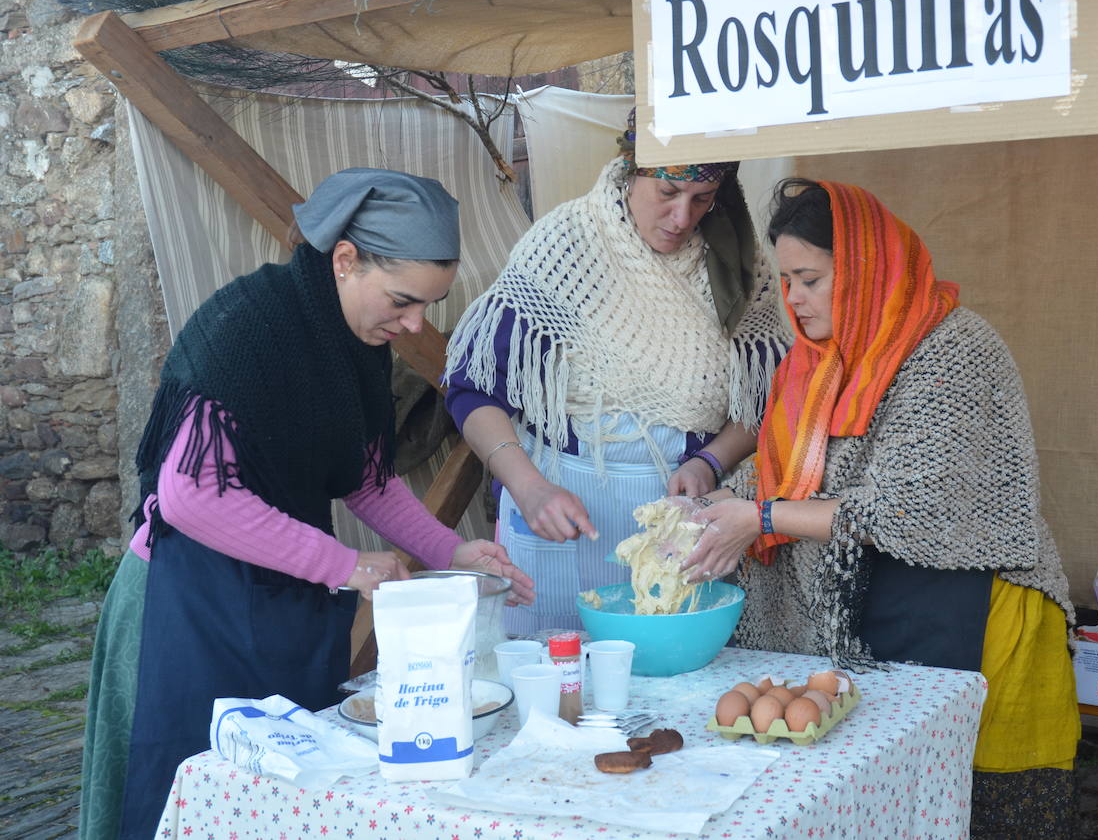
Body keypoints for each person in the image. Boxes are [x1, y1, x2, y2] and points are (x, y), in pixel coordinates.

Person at [79, 168, 535, 840]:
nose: (414, 323)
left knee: (281, 804)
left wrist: (453, 550)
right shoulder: (244, 329)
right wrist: (345, 563)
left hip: (277, 606)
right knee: (187, 795)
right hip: (184, 607)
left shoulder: (355, 345)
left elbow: (367, 480)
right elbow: (189, 496)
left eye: (426, 307)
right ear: (345, 260)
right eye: (403, 301)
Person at [683, 179, 1080, 839]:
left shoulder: (953, 351)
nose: (794, 300)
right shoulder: (814, 363)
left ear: (866, 268)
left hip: (971, 605)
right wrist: (726, 492)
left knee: (984, 811)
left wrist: (762, 517)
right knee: (884, 796)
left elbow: (909, 507)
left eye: (810, 279)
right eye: (785, 281)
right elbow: (802, 465)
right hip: (874, 607)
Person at [444, 111, 792, 634]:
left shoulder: (740, 268)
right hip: (557, 512)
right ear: (631, 171)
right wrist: (528, 487)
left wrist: (709, 463)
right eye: (668, 192)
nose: (682, 217)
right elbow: (473, 389)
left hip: (675, 521)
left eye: (702, 198)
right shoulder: (563, 248)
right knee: (555, 677)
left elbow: (766, 405)